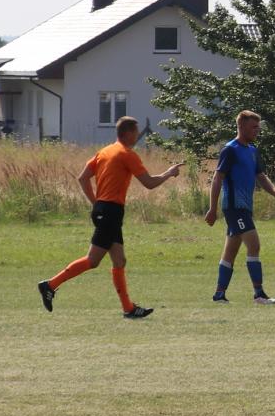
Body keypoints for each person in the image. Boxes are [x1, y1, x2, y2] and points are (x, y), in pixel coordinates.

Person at [38, 116, 183, 319]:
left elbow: (82, 178)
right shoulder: (127, 154)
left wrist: (96, 202)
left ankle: (128, 309)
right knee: (93, 260)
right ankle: (50, 285)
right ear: (128, 133)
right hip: (111, 212)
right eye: (136, 132)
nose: (137, 135)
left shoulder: (104, 152)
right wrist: (168, 173)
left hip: (105, 210)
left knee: (119, 260)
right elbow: (149, 183)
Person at [206, 110, 275, 304]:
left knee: (230, 252)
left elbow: (261, 176)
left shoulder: (252, 150)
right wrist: (212, 208)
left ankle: (219, 295)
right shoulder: (230, 150)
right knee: (254, 245)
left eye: (258, 127)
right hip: (234, 207)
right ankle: (259, 294)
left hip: (245, 207)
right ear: (241, 126)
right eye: (253, 127)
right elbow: (217, 178)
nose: (257, 131)